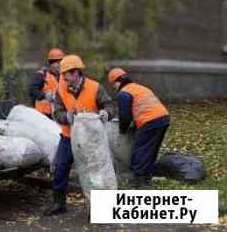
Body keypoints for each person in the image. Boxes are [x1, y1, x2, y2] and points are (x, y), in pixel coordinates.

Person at [45, 55, 115, 216]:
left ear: (76, 73)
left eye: (65, 74)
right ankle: (59, 203)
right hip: (69, 137)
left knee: (94, 172)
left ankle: (97, 206)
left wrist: (106, 113)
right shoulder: (61, 90)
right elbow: (57, 113)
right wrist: (67, 117)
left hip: (91, 140)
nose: (62, 78)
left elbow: (109, 104)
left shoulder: (95, 87)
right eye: (62, 75)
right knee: (60, 167)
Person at [108, 68, 170, 187]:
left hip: (150, 120)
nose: (114, 88)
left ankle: (140, 182)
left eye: (113, 85)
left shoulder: (124, 93)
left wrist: (122, 129)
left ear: (117, 82)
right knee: (151, 150)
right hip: (163, 118)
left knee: (140, 150)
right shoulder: (139, 87)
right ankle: (147, 177)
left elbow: (125, 116)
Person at [28, 48, 65, 118]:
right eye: (57, 63)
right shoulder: (41, 75)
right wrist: (45, 95)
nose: (59, 65)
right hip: (43, 116)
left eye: (61, 63)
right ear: (51, 63)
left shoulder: (64, 76)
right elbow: (32, 91)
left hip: (59, 114)